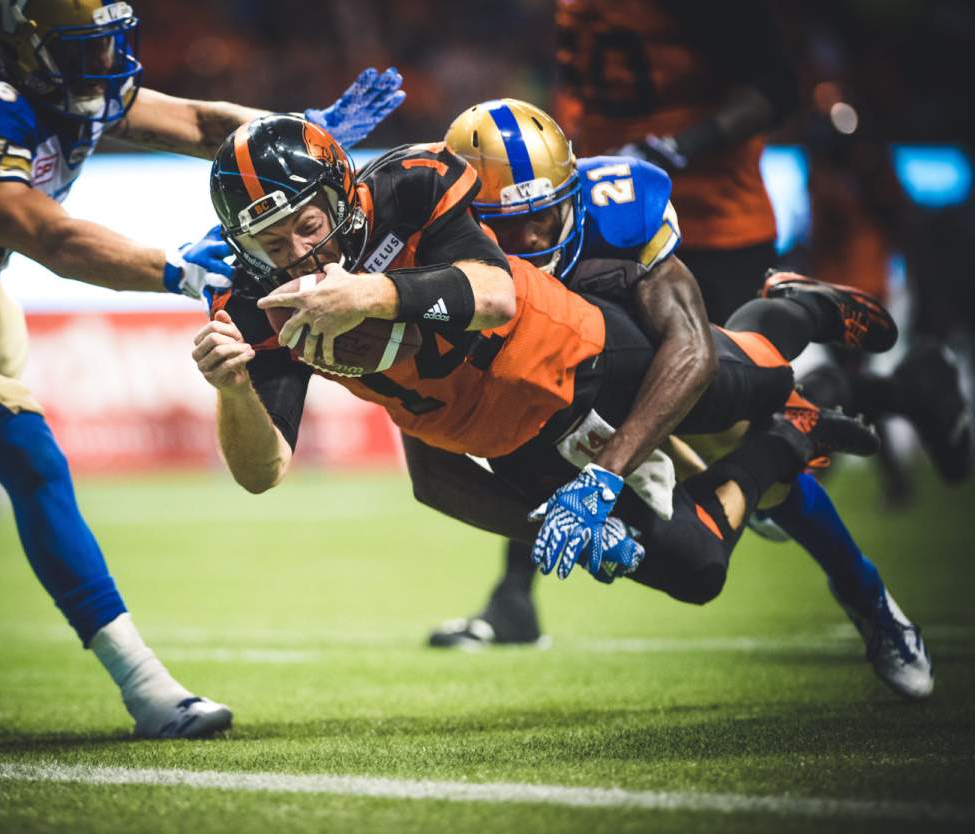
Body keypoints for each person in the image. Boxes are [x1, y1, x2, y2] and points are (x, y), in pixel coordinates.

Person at [0, 0, 403, 740]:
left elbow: (208, 129)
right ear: (21, 47)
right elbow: (52, 237)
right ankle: (145, 687)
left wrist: (297, 136)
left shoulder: (60, 80)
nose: (107, 65)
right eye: (87, 48)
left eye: (109, 45)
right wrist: (177, 273)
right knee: (23, 448)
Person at [191, 112, 931, 698]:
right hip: (506, 432)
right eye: (271, 240)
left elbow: (496, 291)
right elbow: (266, 472)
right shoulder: (258, 303)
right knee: (697, 569)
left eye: (308, 226)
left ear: (341, 197)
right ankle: (791, 441)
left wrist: (370, 294)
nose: (298, 253)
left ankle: (793, 310)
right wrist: (233, 391)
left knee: (755, 376)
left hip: (577, 347)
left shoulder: (412, 187)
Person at [414, 100, 932, 699]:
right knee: (699, 562)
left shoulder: (617, 211)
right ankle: (786, 443)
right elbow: (432, 473)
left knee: (746, 404)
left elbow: (691, 349)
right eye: (504, 225)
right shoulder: (429, 269)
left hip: (629, 356)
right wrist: (564, 533)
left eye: (545, 214)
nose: (530, 237)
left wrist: (601, 482)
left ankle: (869, 599)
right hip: (541, 404)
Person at [432, 0, 801, 648]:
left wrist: (678, 146)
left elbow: (776, 87)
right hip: (564, 204)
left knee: (747, 414)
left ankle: (842, 419)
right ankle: (515, 595)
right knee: (546, 386)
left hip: (704, 218)